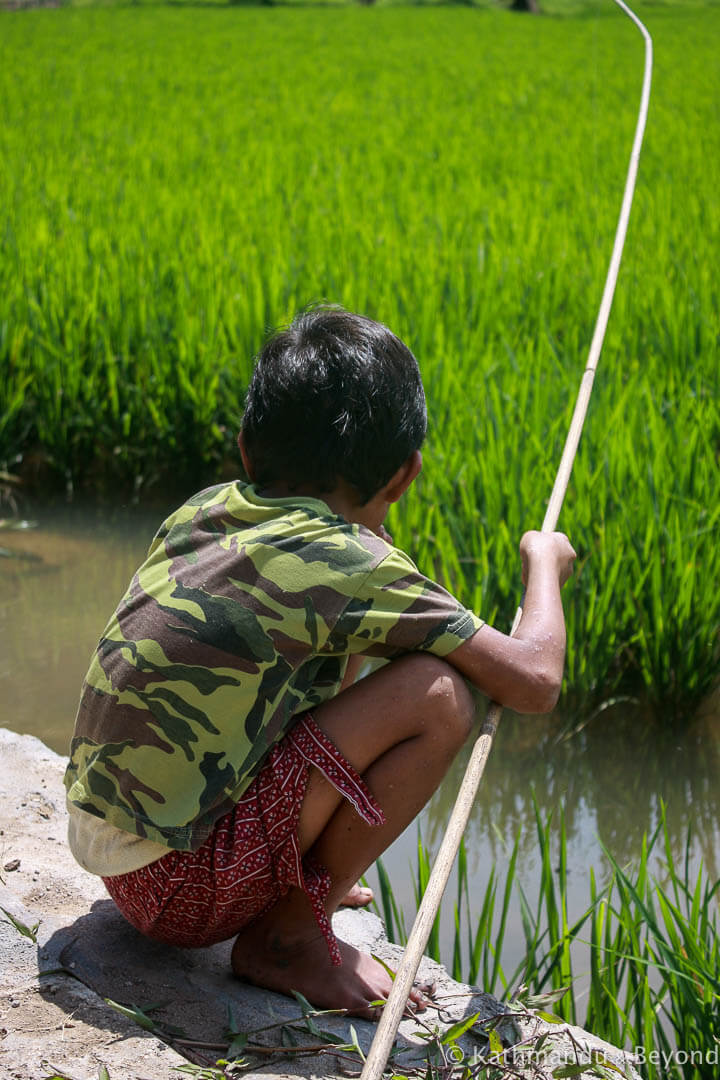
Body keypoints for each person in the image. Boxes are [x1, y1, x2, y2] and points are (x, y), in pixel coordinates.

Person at [64, 306, 575, 1018]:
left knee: (343, 647)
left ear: (247, 448)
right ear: (405, 475)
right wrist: (542, 561)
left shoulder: (207, 509)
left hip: (113, 858)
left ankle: (290, 877)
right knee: (439, 694)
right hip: (180, 892)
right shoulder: (354, 563)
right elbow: (535, 680)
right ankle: (287, 936)